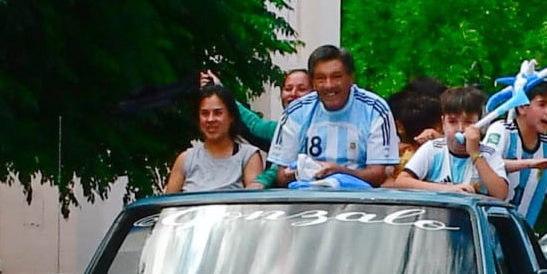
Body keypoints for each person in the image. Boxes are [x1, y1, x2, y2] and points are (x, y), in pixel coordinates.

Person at [268, 45, 399, 187]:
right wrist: (299, 173)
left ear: (351, 78)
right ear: (313, 82)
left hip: (360, 201)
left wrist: (339, 172)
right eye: (321, 78)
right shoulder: (295, 112)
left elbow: (378, 174)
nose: (329, 85)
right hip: (307, 201)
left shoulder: (375, 109)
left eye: (336, 77)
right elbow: (280, 174)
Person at [478, 73, 547, 244]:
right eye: (542, 104)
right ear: (522, 107)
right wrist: (529, 164)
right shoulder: (501, 131)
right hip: (485, 235)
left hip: (520, 240)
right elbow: (485, 165)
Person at [166, 87, 263, 192]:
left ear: (231, 117)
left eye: (218, 113)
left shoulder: (249, 156)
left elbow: (253, 202)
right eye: (204, 113)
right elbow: (166, 204)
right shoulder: (185, 160)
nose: (210, 119)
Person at [401, 85, 489, 188]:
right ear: (443, 123)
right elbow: (402, 181)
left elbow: (501, 194)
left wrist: (475, 154)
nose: (460, 129)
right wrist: (449, 189)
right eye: (452, 122)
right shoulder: (432, 149)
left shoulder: (488, 153)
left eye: (469, 122)